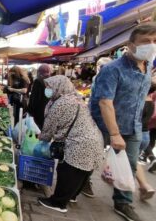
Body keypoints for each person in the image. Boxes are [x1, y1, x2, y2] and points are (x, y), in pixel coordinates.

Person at [90, 23, 156, 221]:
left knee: (130, 165)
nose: (151, 45)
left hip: (134, 125)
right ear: (131, 44)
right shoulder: (112, 69)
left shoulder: (147, 67)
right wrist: (115, 133)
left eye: (154, 41)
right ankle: (83, 182)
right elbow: (105, 102)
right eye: (146, 41)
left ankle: (123, 203)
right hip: (104, 124)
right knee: (90, 158)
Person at [38, 75, 103, 213]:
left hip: (79, 143)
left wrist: (42, 138)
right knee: (82, 172)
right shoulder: (75, 98)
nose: (48, 90)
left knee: (67, 172)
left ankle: (58, 203)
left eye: (50, 87)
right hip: (94, 139)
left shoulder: (61, 103)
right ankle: (71, 196)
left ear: (59, 87)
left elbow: (49, 127)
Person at [27, 64, 52, 130]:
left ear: (39, 72)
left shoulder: (38, 81)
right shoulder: (51, 81)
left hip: (39, 110)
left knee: (36, 129)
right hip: (48, 109)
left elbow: (34, 98)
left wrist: (30, 110)